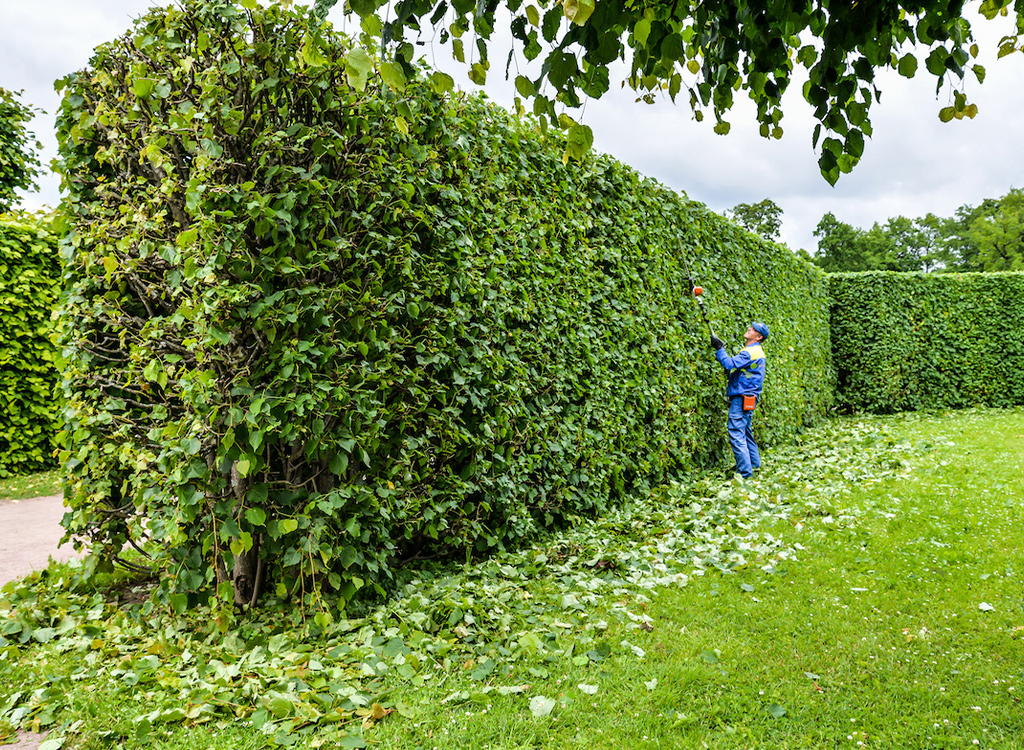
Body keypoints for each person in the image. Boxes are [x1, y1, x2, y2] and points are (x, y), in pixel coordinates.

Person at [710, 322, 770, 479]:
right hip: (749, 398)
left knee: (736, 431)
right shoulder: (756, 352)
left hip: (742, 397)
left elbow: (729, 363)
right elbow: (739, 369)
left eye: (754, 329)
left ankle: (744, 473)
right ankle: (754, 465)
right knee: (745, 431)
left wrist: (719, 348)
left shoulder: (751, 352)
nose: (749, 328)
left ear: (758, 337)